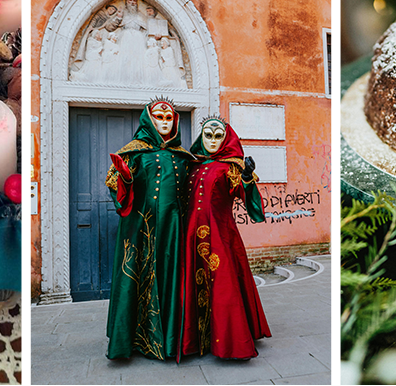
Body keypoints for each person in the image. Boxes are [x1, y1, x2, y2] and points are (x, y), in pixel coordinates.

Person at [105, 98, 194, 360]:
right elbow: (116, 188)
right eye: (159, 117)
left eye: (169, 118)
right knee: (138, 278)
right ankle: (133, 341)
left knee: (170, 276)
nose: (164, 122)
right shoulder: (132, 152)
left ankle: (170, 340)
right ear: (149, 119)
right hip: (139, 228)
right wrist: (125, 179)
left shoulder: (183, 156)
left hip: (173, 229)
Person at [177, 117, 271, 360]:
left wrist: (248, 178)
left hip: (220, 236)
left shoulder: (232, 168)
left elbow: (254, 207)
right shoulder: (193, 165)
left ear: (226, 138)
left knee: (223, 287)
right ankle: (197, 339)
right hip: (191, 237)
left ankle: (230, 343)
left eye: (218, 136)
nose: (212, 140)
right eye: (208, 135)